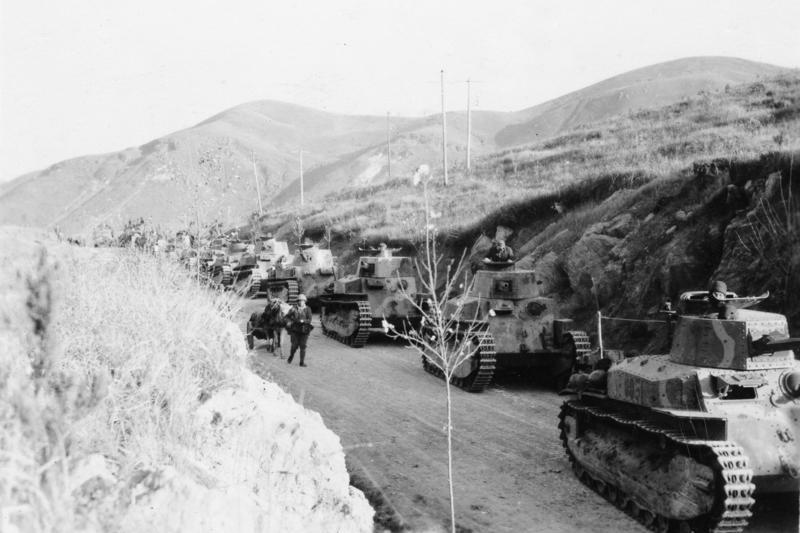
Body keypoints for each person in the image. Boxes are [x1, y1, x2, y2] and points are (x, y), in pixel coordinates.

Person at [285, 294, 313, 366]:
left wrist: (304, 321)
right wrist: (289, 321)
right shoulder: (293, 309)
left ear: (305, 301)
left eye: (302, 301)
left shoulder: (308, 309)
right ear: (297, 301)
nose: (301, 302)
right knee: (294, 346)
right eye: (299, 301)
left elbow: (309, 319)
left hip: (304, 330)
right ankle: (291, 356)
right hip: (295, 330)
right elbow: (287, 317)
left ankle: (301, 362)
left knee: (303, 346)